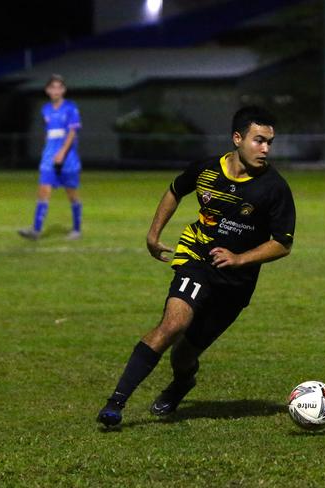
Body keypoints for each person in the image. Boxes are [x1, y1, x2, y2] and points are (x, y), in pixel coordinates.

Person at [97, 106, 296, 427]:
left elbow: (283, 243)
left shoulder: (274, 187)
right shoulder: (207, 169)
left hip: (236, 283)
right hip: (198, 258)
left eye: (269, 142)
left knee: (184, 356)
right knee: (172, 325)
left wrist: (239, 258)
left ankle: (181, 384)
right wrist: (153, 235)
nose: (266, 149)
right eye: (259, 140)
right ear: (237, 138)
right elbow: (176, 190)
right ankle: (115, 404)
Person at [18, 74, 82, 240]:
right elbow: (49, 133)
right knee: (43, 190)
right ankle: (36, 230)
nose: (56, 90)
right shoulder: (45, 109)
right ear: (47, 90)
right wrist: (48, 151)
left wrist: (61, 153)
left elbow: (72, 133)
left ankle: (76, 229)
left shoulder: (71, 108)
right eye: (52, 87)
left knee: (71, 193)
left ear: (64, 90)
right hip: (49, 157)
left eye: (59, 87)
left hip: (68, 158)